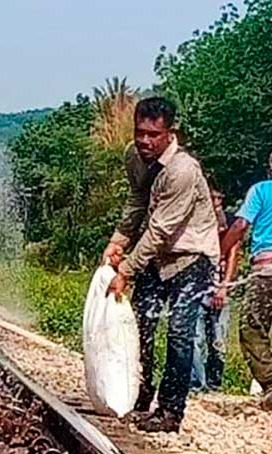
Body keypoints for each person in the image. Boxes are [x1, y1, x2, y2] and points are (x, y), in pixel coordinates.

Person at [102, 97, 220, 433]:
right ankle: (137, 396)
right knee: (139, 326)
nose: (145, 141)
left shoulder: (183, 170)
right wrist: (118, 240)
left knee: (180, 334)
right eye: (140, 132)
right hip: (156, 256)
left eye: (153, 135)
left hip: (191, 256)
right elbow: (137, 199)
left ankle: (170, 411)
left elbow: (160, 229)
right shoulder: (134, 156)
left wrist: (126, 270)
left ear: (170, 133)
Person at [221, 146, 272, 410]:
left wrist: (220, 252)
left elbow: (240, 225)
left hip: (267, 274)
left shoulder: (261, 190)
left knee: (251, 329)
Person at [190, 187, 240, 393]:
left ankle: (214, 383)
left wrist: (224, 287)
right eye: (212, 198)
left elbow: (233, 256)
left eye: (218, 197)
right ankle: (196, 384)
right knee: (195, 337)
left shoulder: (229, 222)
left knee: (218, 340)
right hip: (197, 288)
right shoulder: (196, 222)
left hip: (219, 287)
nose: (215, 202)